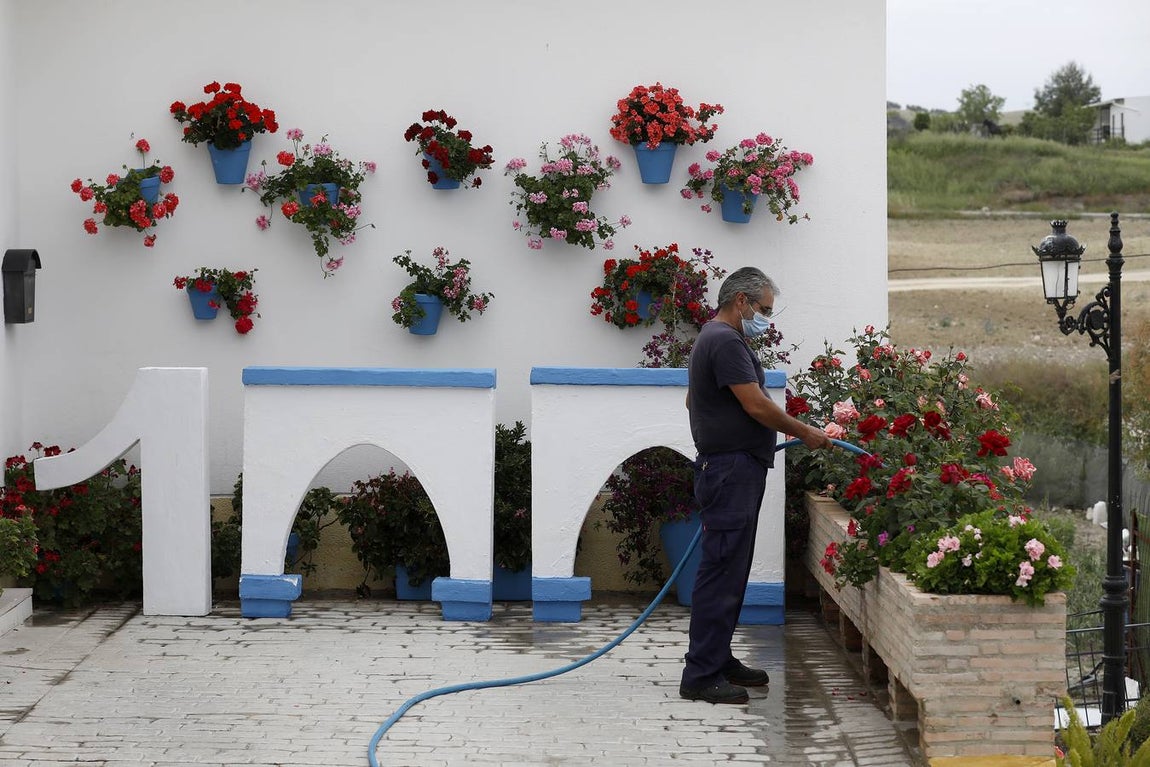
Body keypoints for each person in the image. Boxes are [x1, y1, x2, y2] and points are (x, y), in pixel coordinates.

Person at [679, 266, 833, 704]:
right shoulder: (725, 339)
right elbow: (756, 406)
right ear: (741, 301)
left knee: (730, 571)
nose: (766, 317)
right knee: (721, 571)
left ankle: (717, 658)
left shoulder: (715, 338)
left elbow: (694, 398)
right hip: (729, 470)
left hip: (731, 469)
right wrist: (804, 432)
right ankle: (701, 675)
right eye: (763, 309)